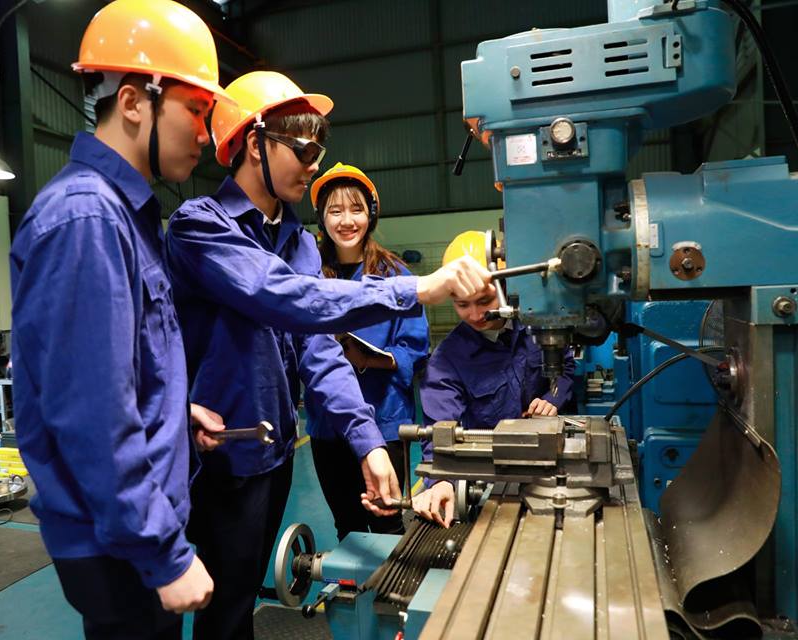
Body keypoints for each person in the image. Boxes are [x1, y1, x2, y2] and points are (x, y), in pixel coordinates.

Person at [165, 71, 494, 639]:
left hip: (271, 458)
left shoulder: (294, 240)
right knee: (215, 609)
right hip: (216, 460)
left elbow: (318, 350)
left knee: (237, 601)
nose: (314, 165)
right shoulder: (199, 227)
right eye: (304, 150)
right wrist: (417, 289)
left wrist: (368, 444)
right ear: (254, 144)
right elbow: (283, 296)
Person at [9, 1, 233, 637]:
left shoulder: (124, 215)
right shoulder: (87, 219)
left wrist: (172, 410)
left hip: (129, 531)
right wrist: (164, 553)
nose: (206, 135)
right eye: (197, 109)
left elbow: (118, 370)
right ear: (134, 102)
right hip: (120, 546)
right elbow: (92, 416)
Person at [412, 231, 577, 527]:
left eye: (484, 300)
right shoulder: (448, 361)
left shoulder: (538, 327)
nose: (476, 314)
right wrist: (442, 481)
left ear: (506, 286)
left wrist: (553, 398)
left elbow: (565, 367)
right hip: (490, 480)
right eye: (462, 304)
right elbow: (439, 429)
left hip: (548, 465)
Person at [305, 163, 430, 540]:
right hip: (328, 426)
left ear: (371, 214)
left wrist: (371, 358)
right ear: (322, 218)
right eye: (335, 211)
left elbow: (415, 347)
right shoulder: (310, 276)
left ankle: (391, 582)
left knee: (387, 522)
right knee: (347, 525)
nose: (346, 221)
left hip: (384, 419)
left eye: (356, 209)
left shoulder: (396, 275)